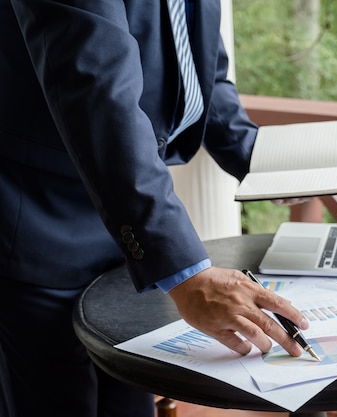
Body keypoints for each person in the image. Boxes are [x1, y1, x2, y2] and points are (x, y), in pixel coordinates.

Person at [0, 1, 310, 416]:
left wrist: (258, 162)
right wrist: (188, 274)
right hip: (41, 218)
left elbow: (203, 74)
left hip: (129, 232)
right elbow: (98, 94)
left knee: (130, 400)